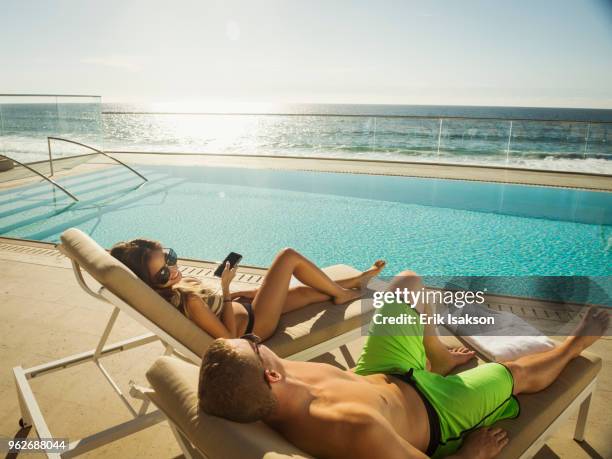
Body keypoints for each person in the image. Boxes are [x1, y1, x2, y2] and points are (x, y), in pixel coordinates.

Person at [198, 270, 609, 459]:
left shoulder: (274, 382)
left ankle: (439, 356)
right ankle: (572, 347)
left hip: (382, 374)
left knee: (407, 285)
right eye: (252, 343)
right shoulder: (350, 427)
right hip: (436, 412)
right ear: (269, 374)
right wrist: (472, 454)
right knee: (516, 374)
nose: (257, 338)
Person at [110, 239, 385, 339]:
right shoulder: (189, 300)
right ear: (149, 283)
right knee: (288, 256)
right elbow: (229, 339)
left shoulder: (177, 287)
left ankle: (356, 280)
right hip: (256, 326)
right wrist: (227, 291)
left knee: (307, 291)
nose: (172, 270)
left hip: (249, 308)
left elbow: (216, 305)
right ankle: (345, 292)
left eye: (169, 259)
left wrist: (245, 295)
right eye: (162, 273)